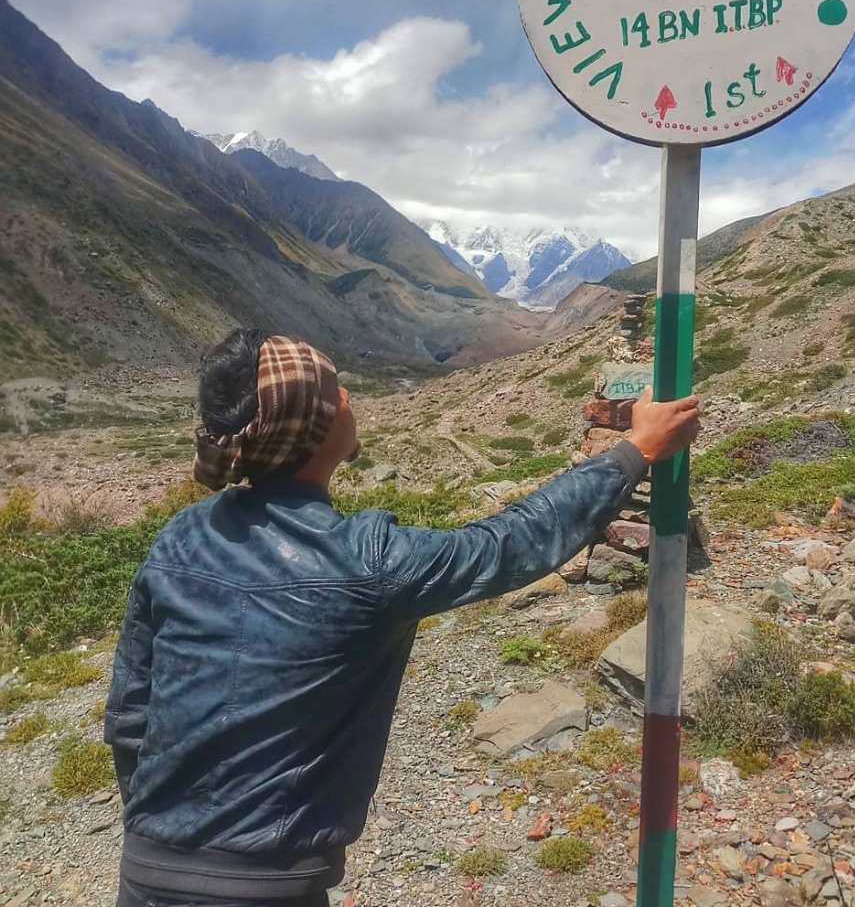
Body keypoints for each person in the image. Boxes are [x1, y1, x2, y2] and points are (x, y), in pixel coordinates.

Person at [106, 328, 701, 907]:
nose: (347, 397)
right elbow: (507, 544)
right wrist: (636, 452)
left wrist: (168, 839)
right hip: (266, 888)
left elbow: (131, 713)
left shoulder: (179, 536)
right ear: (313, 427)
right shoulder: (368, 559)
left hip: (145, 873)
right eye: (335, 390)